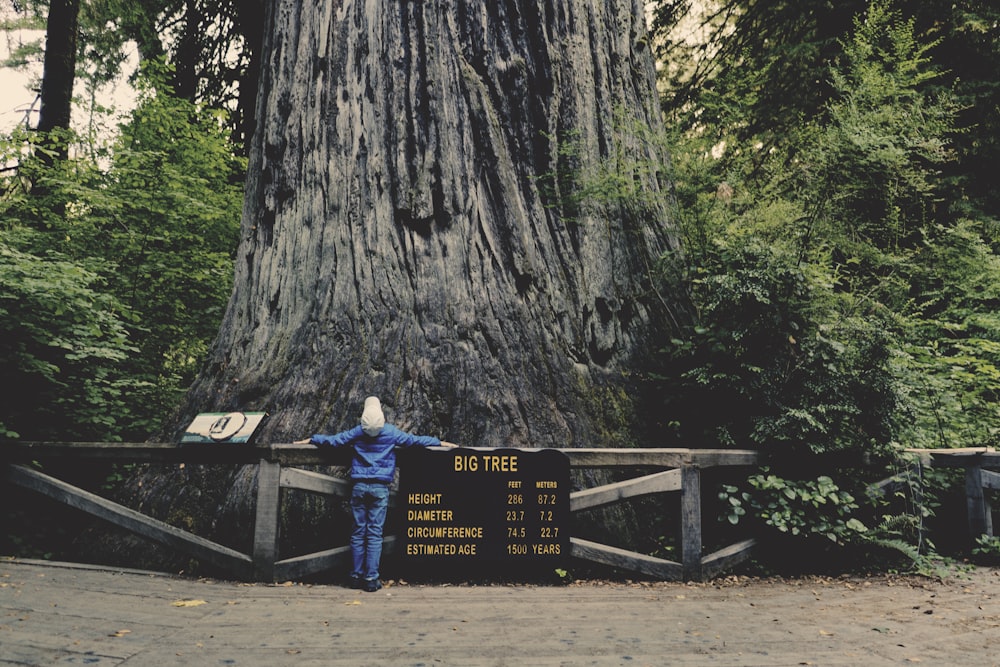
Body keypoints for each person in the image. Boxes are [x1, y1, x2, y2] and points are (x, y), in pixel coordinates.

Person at [297, 396, 457, 592]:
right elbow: (414, 441)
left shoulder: (357, 433)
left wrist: (313, 438)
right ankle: (371, 579)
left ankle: (355, 576)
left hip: (359, 488)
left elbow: (334, 441)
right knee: (374, 534)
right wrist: (439, 442)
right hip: (380, 489)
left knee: (358, 532)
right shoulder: (390, 432)